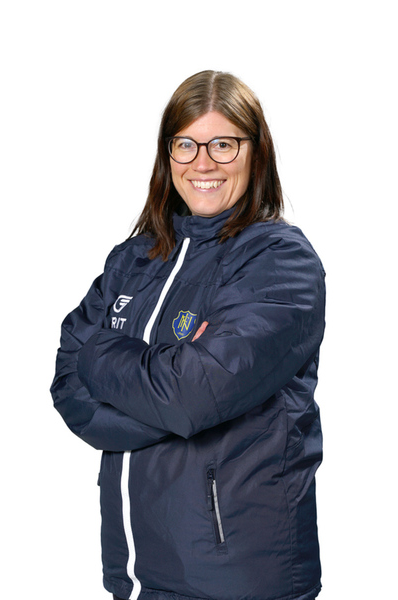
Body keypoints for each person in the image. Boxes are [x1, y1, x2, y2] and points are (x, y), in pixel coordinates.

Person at [51, 70, 326, 600]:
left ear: (256, 153)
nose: (203, 163)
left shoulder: (279, 262)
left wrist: (103, 356)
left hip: (237, 579)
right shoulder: (133, 258)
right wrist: (167, 387)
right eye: (186, 144)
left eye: (223, 144)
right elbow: (68, 386)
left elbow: (191, 396)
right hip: (135, 574)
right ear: (167, 154)